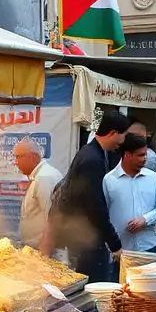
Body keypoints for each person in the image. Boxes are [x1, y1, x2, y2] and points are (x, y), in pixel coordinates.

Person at [54, 111, 129, 280]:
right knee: (93, 292)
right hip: (86, 240)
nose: (122, 143)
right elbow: (94, 204)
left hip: (82, 238)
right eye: (122, 136)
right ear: (113, 133)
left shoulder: (93, 153)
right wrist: (114, 242)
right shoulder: (92, 159)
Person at [102, 133, 156, 253]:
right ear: (127, 155)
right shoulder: (109, 180)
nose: (145, 158)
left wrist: (145, 220)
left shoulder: (152, 178)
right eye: (140, 155)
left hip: (149, 248)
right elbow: (103, 215)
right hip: (121, 250)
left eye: (145, 154)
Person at [13, 137, 62, 250]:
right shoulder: (41, 175)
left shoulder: (44, 177)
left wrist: (45, 253)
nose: (15, 162)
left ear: (33, 157)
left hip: (44, 251)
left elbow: (52, 219)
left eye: (18, 157)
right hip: (35, 250)